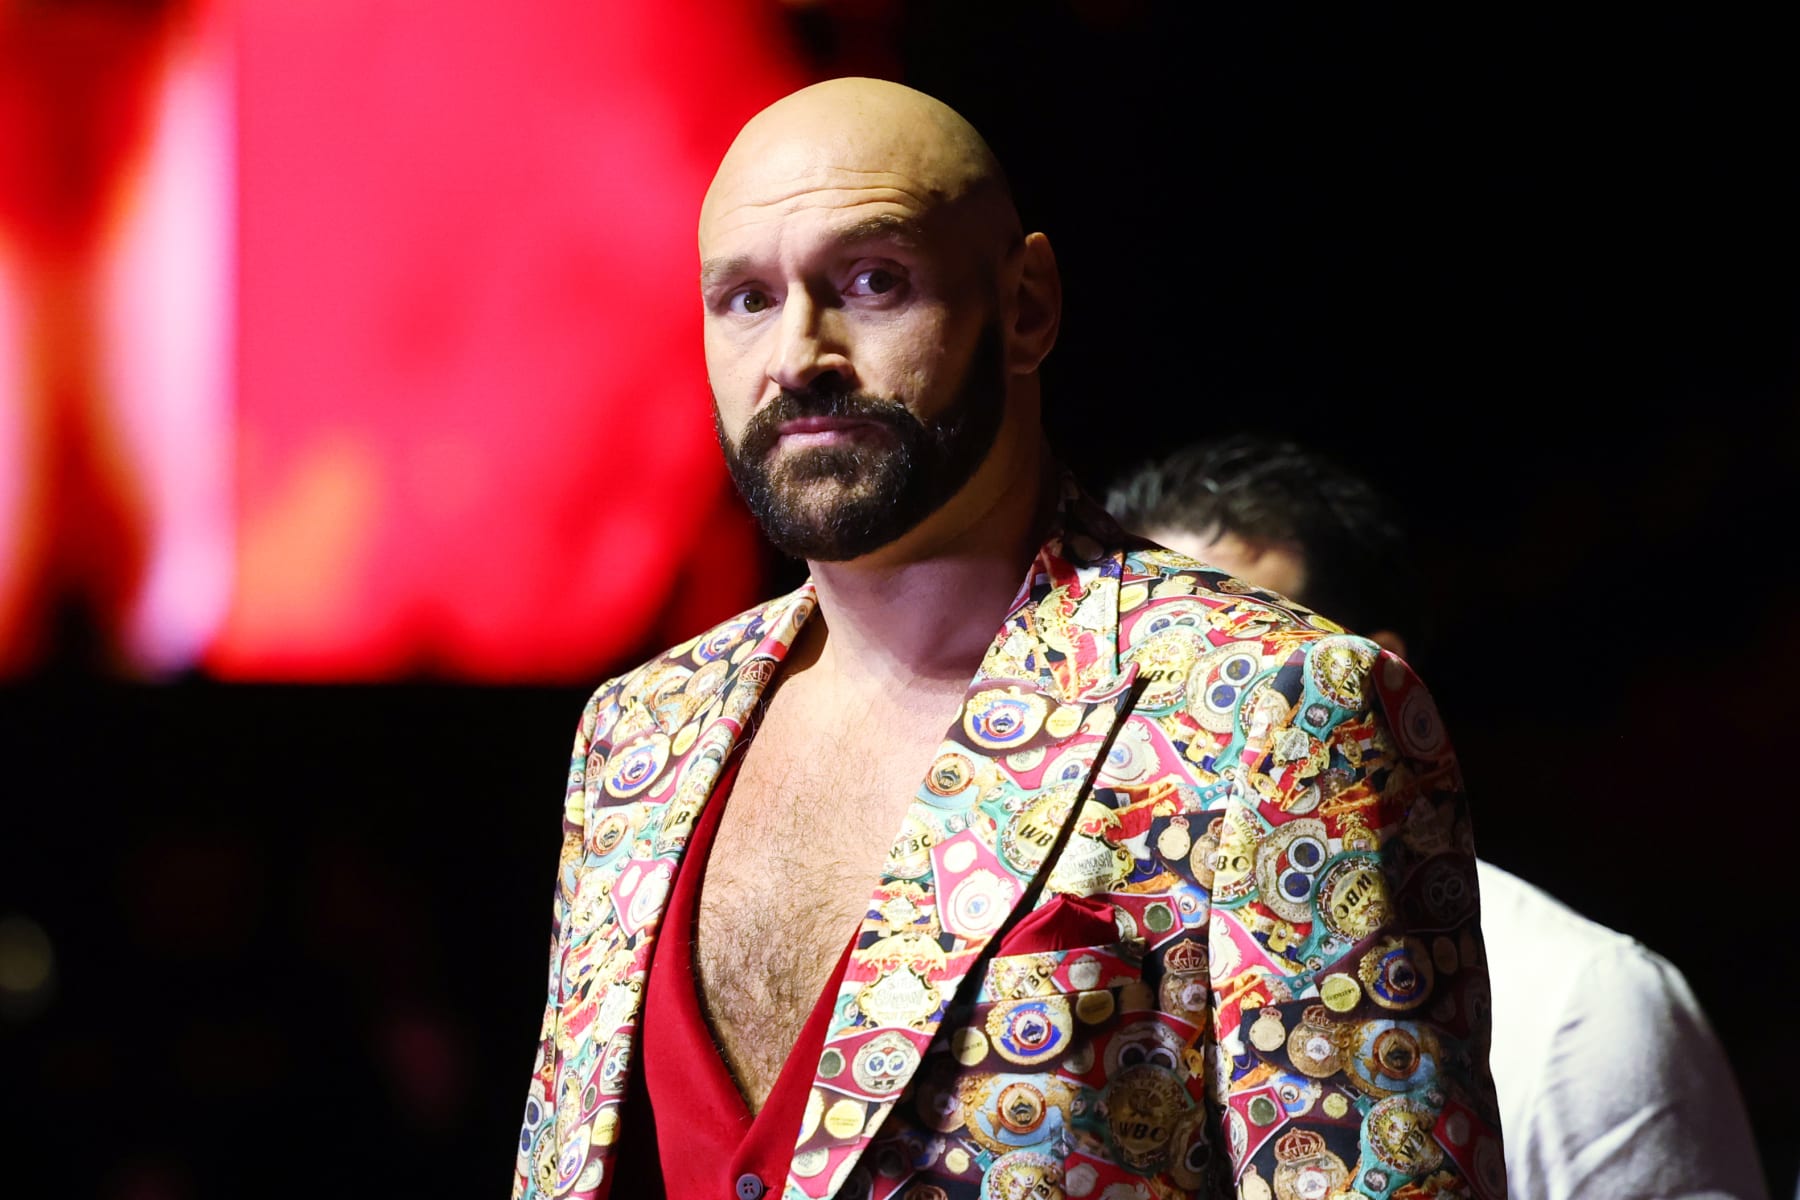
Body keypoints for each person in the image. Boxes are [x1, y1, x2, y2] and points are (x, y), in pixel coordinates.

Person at [514, 80, 1504, 1200]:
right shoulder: (640, 736)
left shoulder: (1271, 710)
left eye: (873, 281)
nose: (798, 355)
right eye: (744, 298)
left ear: (1027, 304)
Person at [1107, 434, 1770, 1200]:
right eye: (1140, 676)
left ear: (1379, 680)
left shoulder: (1579, 1003)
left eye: (1240, 676)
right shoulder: (1045, 980)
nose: (1175, 723)